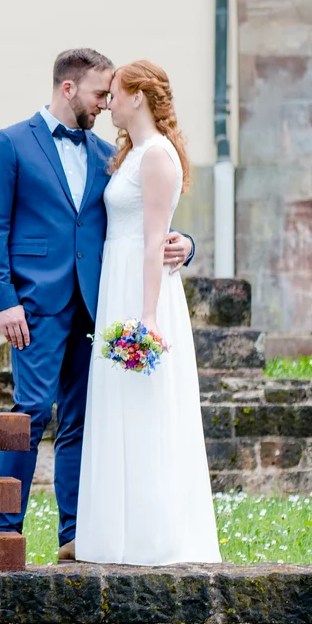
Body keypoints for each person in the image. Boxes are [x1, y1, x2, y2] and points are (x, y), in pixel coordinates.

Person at [0, 48, 193, 562]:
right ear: (68, 88)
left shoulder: (107, 157)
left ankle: (74, 534)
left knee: (79, 421)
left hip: (95, 309)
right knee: (29, 414)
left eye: (111, 95)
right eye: (99, 94)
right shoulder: (10, 144)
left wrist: (185, 242)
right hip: (33, 308)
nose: (104, 105)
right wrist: (3, 301)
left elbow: (140, 218)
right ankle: (5, 531)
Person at [72, 60, 220, 565]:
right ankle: (115, 533)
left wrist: (149, 315)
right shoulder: (129, 155)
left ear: (137, 96)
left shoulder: (157, 155)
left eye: (113, 92)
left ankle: (154, 536)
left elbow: (157, 239)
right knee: (119, 409)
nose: (107, 101)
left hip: (142, 291)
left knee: (146, 407)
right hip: (119, 283)